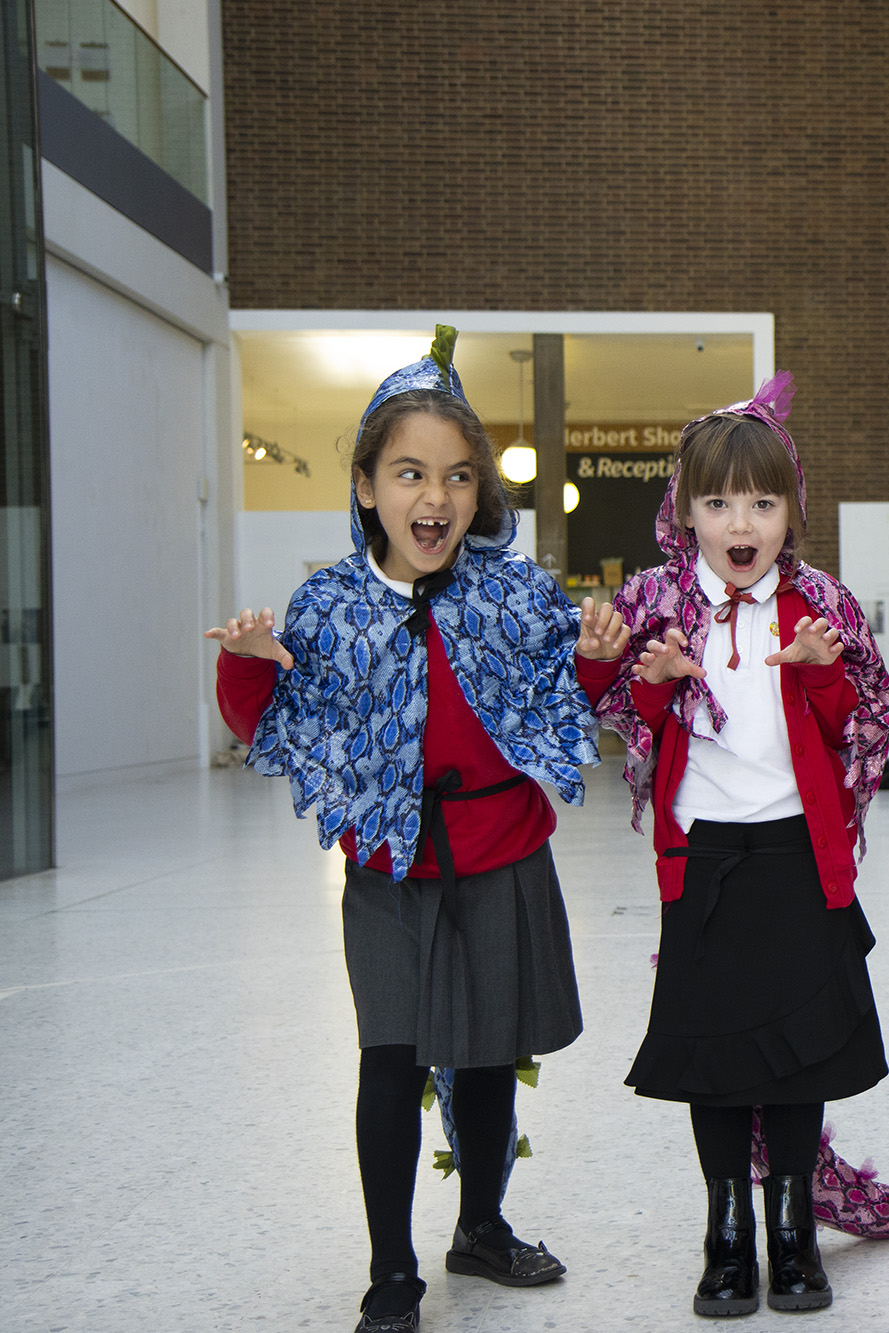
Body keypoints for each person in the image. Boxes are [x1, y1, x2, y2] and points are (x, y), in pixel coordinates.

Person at [206, 326, 630, 1333]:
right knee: (388, 1058)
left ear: (479, 494)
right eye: (407, 474)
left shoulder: (516, 594)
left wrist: (603, 660)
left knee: (486, 1058)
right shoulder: (329, 605)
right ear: (364, 487)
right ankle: (390, 1269)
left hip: (499, 857)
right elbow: (262, 722)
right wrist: (250, 662)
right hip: (390, 869)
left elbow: (560, 700)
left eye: (454, 478)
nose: (433, 499)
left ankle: (479, 1226)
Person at [595, 373, 889, 1317]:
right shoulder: (655, 600)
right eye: (719, 500)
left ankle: (793, 1228)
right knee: (716, 1061)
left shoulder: (824, 606)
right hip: (706, 864)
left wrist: (822, 674)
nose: (741, 520)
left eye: (762, 502)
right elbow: (615, 715)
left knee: (800, 1057)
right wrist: (648, 678)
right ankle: (726, 1233)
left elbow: (867, 724)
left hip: (800, 861)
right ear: (684, 509)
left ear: (791, 511)